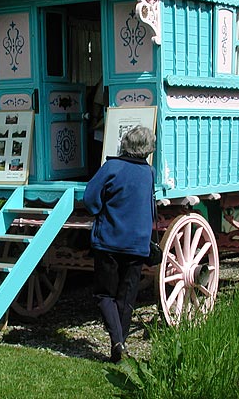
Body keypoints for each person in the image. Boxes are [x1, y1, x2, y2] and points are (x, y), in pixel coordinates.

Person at [83, 125, 156, 362]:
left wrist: (97, 210)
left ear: (125, 143)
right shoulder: (149, 173)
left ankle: (116, 341)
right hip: (137, 243)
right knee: (127, 297)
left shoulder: (111, 167)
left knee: (104, 295)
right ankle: (120, 345)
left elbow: (90, 197)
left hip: (109, 241)